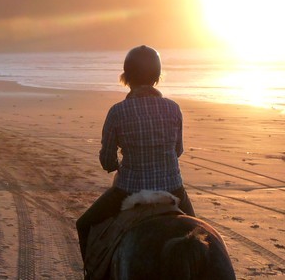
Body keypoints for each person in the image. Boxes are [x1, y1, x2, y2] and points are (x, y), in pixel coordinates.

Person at [75, 45, 196, 270]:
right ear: (157, 77)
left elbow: (107, 161)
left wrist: (119, 164)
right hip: (173, 189)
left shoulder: (117, 112)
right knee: (198, 235)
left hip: (128, 191)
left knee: (83, 224)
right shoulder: (173, 108)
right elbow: (177, 151)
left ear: (126, 77)